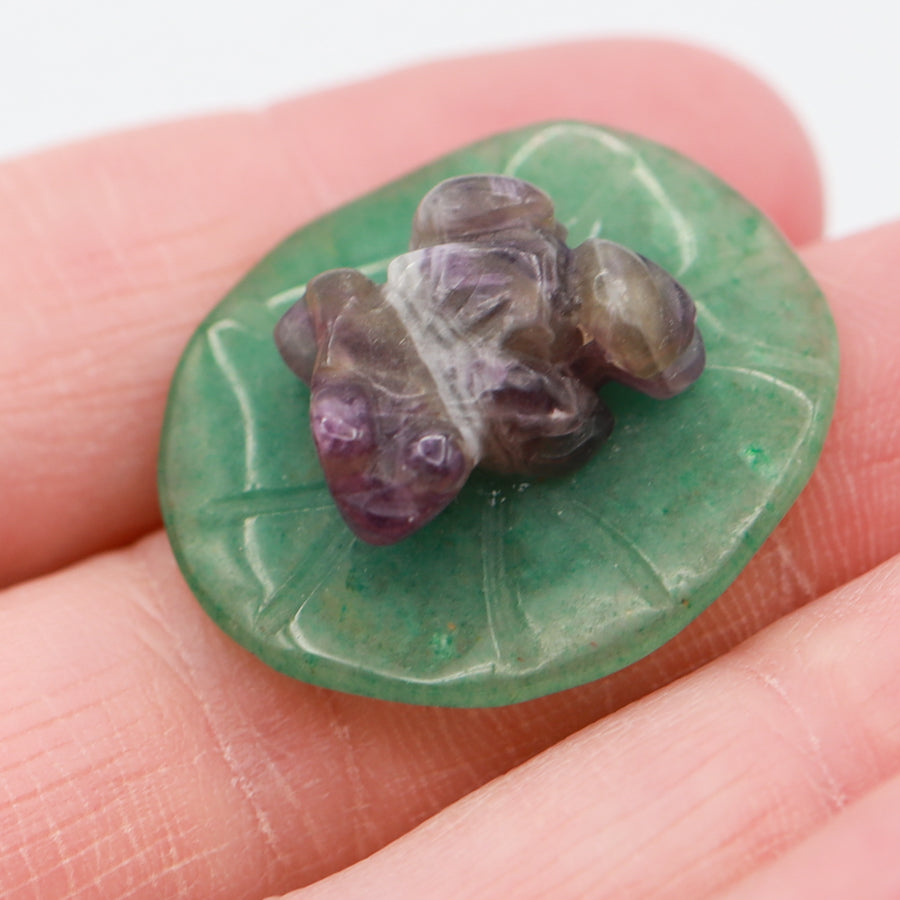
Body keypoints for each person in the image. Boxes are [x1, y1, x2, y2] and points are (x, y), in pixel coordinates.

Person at [1, 38, 898, 900]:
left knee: (401, 428)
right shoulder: (512, 296)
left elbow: (551, 416)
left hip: (422, 389)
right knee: (397, 420)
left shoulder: (526, 352)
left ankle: (382, 407)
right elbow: (538, 396)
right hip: (406, 371)